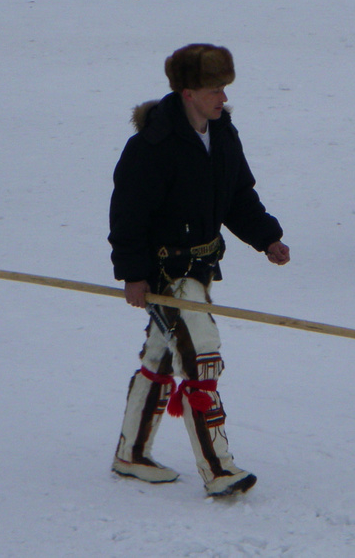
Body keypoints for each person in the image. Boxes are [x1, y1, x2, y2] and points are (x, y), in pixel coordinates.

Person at [108, 43, 290, 497]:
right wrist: (133, 275)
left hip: (203, 267)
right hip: (168, 275)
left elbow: (237, 195)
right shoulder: (152, 146)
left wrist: (266, 237)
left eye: (224, 88)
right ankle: (218, 469)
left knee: (161, 357)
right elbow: (127, 215)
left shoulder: (223, 134)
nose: (223, 98)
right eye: (214, 89)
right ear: (188, 93)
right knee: (202, 356)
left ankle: (131, 455)